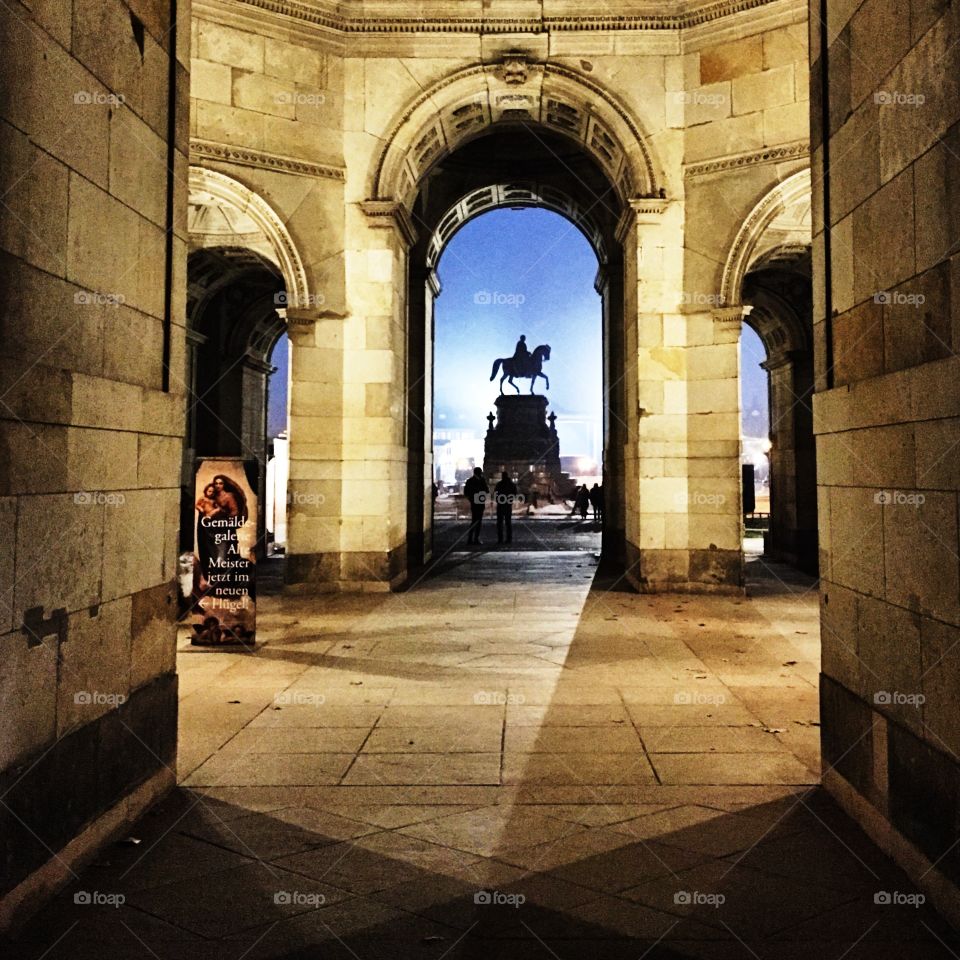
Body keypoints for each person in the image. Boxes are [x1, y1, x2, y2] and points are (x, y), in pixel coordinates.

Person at [463, 467, 489, 544]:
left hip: (474, 503)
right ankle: (475, 538)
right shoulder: (482, 481)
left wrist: (471, 499)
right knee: (478, 521)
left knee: (474, 520)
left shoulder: (470, 481)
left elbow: (466, 492)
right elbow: (486, 490)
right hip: (479, 503)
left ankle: (470, 538)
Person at [494, 471, 518, 544]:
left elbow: (496, 493)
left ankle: (500, 539)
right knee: (508, 523)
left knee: (500, 523)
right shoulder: (511, 484)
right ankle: (509, 538)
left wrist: (498, 500)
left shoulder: (499, 484)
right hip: (507, 505)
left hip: (501, 505)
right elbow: (515, 493)